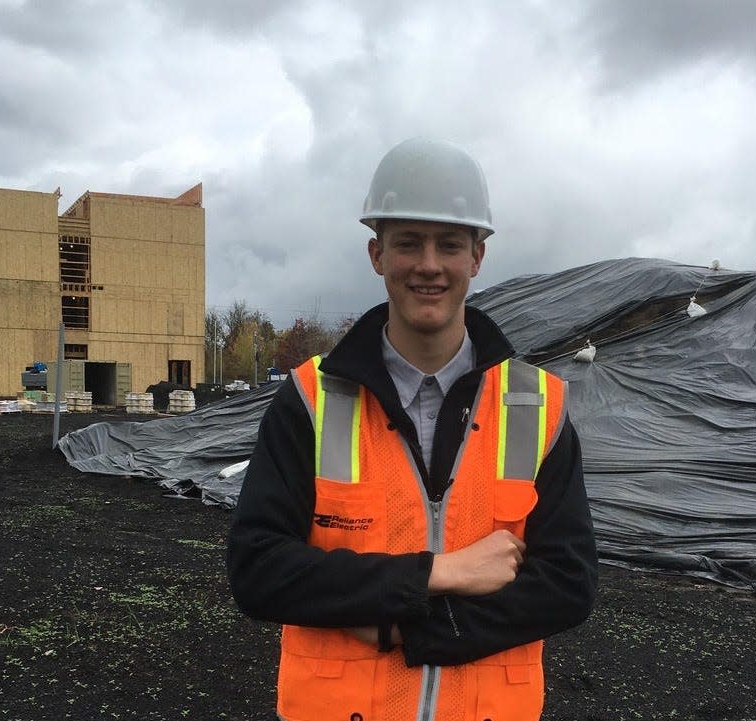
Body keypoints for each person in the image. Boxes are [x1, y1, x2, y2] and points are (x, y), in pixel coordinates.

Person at [227, 137, 598, 721]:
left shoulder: (535, 404)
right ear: (377, 255)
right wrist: (438, 573)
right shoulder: (311, 398)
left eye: (449, 244)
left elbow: (568, 583)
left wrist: (410, 627)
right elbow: (259, 568)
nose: (429, 264)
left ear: (477, 257)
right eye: (408, 243)